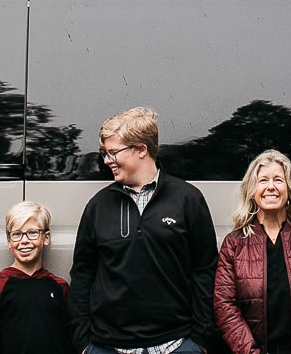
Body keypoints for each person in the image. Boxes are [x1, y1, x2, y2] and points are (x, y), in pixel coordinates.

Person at [69, 106, 218, 354]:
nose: (106, 161)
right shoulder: (98, 206)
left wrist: (201, 340)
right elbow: (83, 274)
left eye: (113, 152)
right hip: (108, 347)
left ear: (141, 149)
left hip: (176, 345)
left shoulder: (188, 199)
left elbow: (205, 271)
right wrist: (83, 343)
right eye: (105, 153)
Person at [212, 149, 291, 354]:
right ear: (252, 190)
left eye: (278, 180)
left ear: (289, 189)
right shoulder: (234, 244)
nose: (271, 187)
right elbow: (225, 306)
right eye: (263, 181)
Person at [0, 201, 70, 354]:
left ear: (46, 237)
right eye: (17, 234)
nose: (24, 240)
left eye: (32, 233)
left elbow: (70, 338)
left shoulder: (59, 287)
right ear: (9, 241)